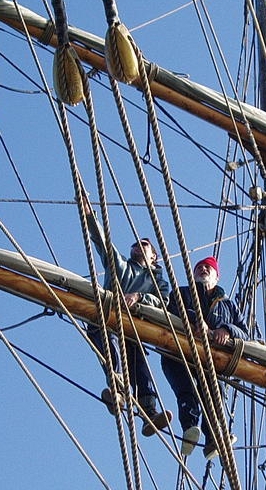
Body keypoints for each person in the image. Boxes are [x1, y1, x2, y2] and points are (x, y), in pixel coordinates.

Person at [81, 192, 171, 436]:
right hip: (106, 319)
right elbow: (101, 241)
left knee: (140, 364)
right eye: (136, 244)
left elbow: (163, 302)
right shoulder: (119, 264)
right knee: (110, 350)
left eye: (145, 244)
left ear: (155, 257)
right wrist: (89, 214)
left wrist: (140, 297)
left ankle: (149, 412)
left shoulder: (158, 281)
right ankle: (118, 392)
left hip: (133, 327)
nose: (138, 245)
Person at [161, 256, 249, 459]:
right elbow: (172, 309)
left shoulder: (229, 306)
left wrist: (226, 329)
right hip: (179, 352)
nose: (203, 269)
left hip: (212, 358)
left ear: (217, 276)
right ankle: (190, 429)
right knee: (185, 392)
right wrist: (196, 321)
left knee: (214, 397)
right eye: (199, 267)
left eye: (208, 268)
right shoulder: (181, 293)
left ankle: (212, 440)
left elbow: (245, 333)